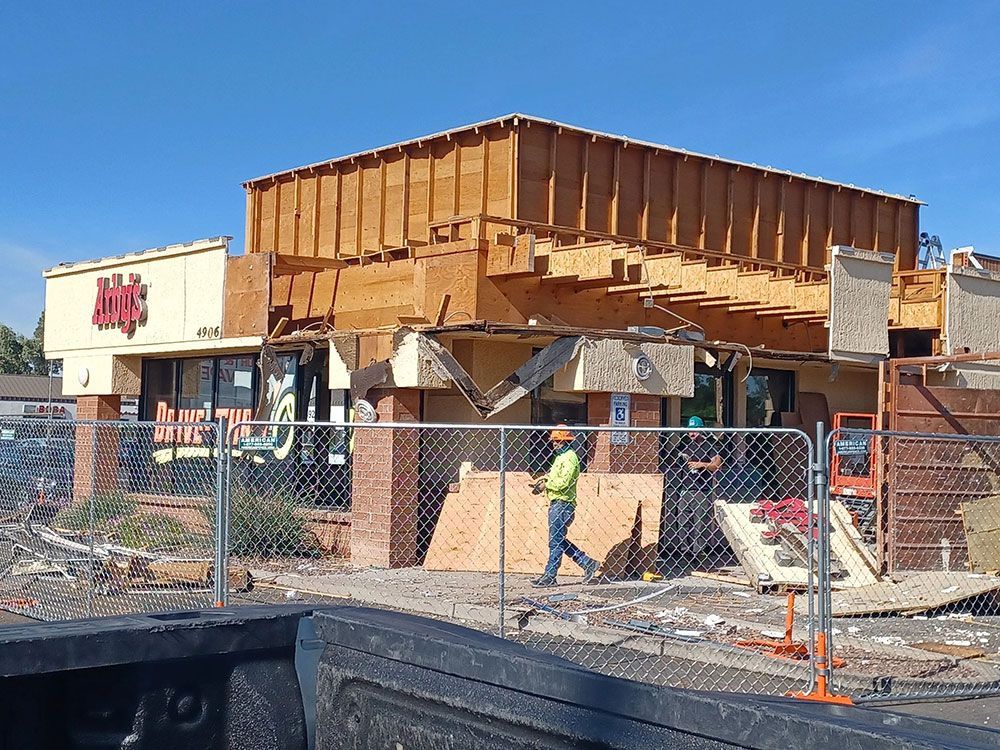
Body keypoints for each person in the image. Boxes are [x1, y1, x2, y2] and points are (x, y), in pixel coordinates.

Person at [531, 425, 599, 588]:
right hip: (557, 502)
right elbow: (555, 478)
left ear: (565, 441)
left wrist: (546, 484)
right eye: (554, 441)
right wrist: (544, 481)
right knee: (558, 539)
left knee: (555, 542)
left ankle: (550, 575)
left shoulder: (569, 458)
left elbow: (564, 482)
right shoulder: (561, 458)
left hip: (563, 504)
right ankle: (587, 562)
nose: (554, 444)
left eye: (557, 441)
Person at [674, 415, 724, 561]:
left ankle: (698, 554)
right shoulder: (684, 445)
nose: (692, 433)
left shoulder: (709, 446)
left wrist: (702, 465)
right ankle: (685, 552)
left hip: (701, 490)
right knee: (682, 523)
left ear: (701, 430)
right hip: (685, 489)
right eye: (690, 430)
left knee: (699, 524)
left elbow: (717, 465)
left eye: (695, 430)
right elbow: (671, 461)